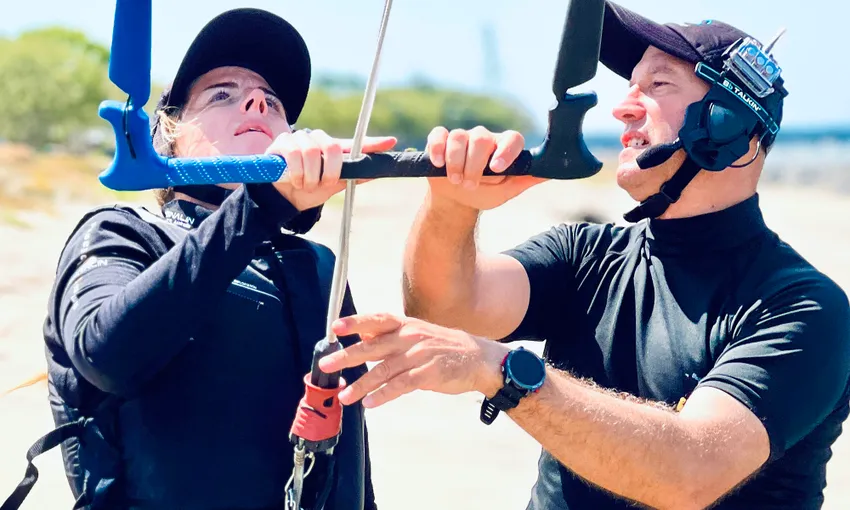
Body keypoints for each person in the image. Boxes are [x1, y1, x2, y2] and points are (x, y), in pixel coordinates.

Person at [317, 3, 850, 510]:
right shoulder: (586, 253)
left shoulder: (803, 307)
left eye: (658, 84)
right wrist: (452, 205)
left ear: (727, 126)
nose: (622, 105)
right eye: (630, 85)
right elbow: (448, 311)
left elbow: (690, 472)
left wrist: (502, 370)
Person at [3, 8, 396, 510]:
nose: (256, 101)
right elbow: (107, 355)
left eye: (272, 102)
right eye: (222, 95)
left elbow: (349, 471)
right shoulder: (120, 234)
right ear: (171, 135)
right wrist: (262, 202)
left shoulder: (319, 267)